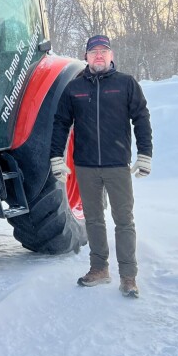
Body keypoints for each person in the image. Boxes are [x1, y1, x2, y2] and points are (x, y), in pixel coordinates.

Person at [49, 34, 152, 298]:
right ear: (86, 57)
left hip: (117, 166)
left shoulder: (126, 84)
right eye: (93, 51)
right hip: (85, 167)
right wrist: (56, 158)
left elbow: (141, 117)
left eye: (103, 51)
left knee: (124, 221)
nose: (98, 55)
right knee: (94, 219)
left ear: (111, 55)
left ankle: (128, 277)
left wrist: (145, 155)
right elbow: (61, 123)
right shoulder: (75, 88)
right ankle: (99, 268)